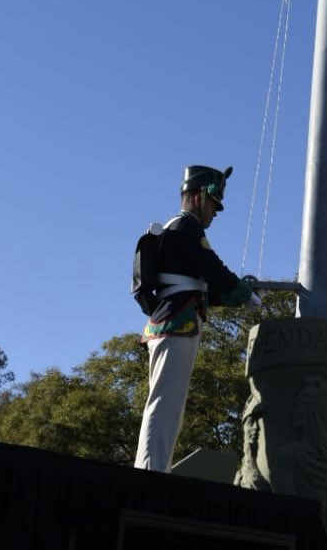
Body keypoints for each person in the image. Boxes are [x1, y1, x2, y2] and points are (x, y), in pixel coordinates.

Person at [134, 164, 258, 471]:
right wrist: (242, 291)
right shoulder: (186, 227)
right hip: (176, 323)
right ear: (199, 196)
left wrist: (234, 295)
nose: (215, 212)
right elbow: (210, 266)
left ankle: (153, 467)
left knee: (169, 403)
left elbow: (202, 286)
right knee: (165, 402)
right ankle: (151, 471)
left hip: (176, 320)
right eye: (214, 203)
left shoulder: (179, 230)